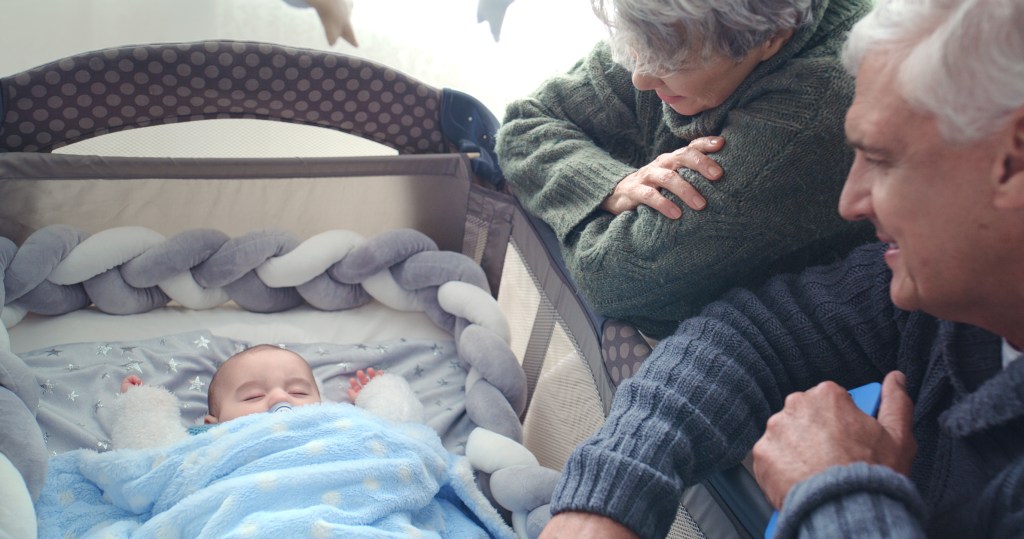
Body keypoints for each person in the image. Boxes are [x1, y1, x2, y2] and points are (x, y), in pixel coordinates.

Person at [539, 0, 1024, 536]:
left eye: (883, 160)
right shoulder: (937, 296)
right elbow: (757, 334)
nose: (850, 202)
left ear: (1014, 161)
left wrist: (839, 492)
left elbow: (616, 277)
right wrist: (608, 495)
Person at [496, 0, 875, 339]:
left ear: (772, 35)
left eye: (670, 58)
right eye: (633, 41)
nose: (640, 78)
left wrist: (563, 202)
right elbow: (523, 124)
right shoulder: (672, 23)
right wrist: (609, 186)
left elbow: (609, 279)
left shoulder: (812, 117)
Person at [110, 344, 423, 447]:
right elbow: (152, 453)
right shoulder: (208, 440)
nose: (278, 399)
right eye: (251, 397)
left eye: (298, 391)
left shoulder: (338, 425)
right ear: (212, 422)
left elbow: (394, 433)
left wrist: (381, 393)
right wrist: (142, 407)